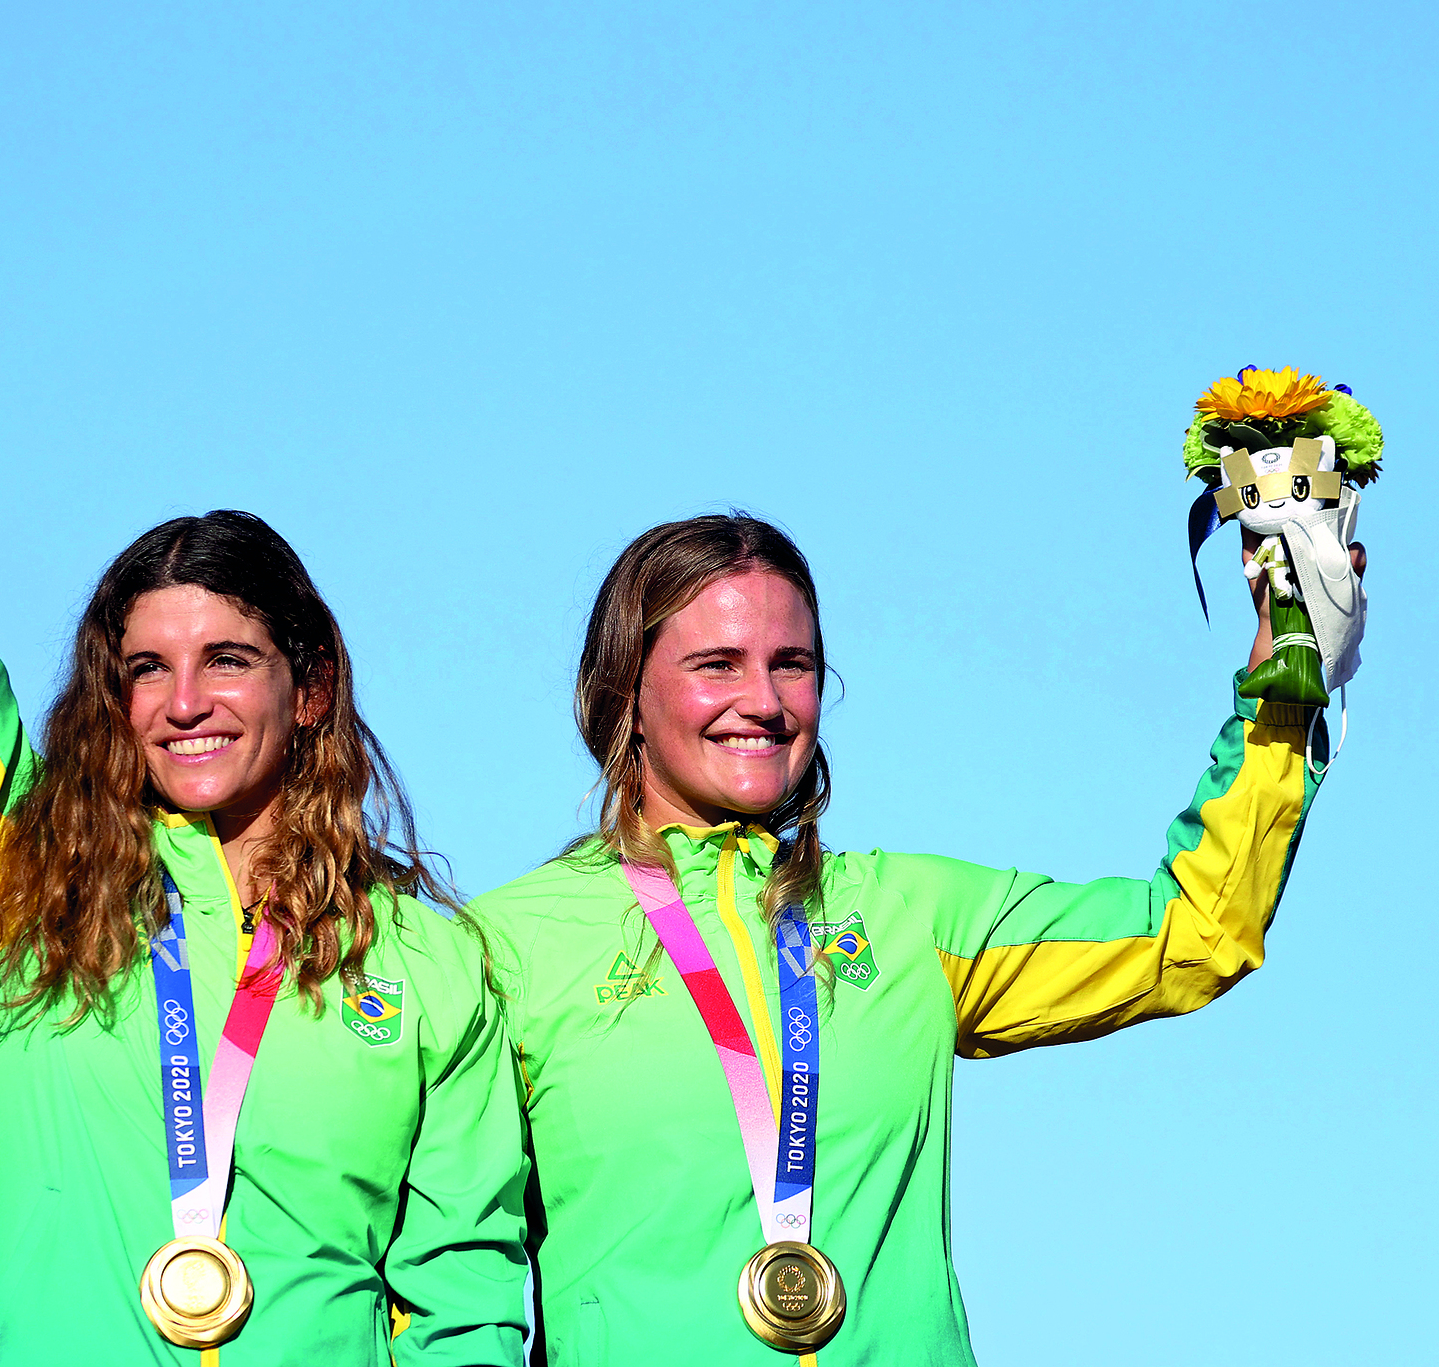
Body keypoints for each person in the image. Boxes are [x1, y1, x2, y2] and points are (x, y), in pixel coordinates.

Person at [0, 140, 528, 1366]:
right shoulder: (29, 878)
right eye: (145, 668)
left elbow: (470, 1303)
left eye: (229, 659)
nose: (185, 701)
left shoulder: (431, 965)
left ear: (313, 687)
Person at [470, 513, 1359, 1366]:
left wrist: (1283, 687)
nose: (765, 701)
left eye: (794, 664)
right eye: (717, 664)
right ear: (625, 689)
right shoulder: (507, 948)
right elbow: (442, 1265)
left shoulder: (906, 912)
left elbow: (1191, 931)